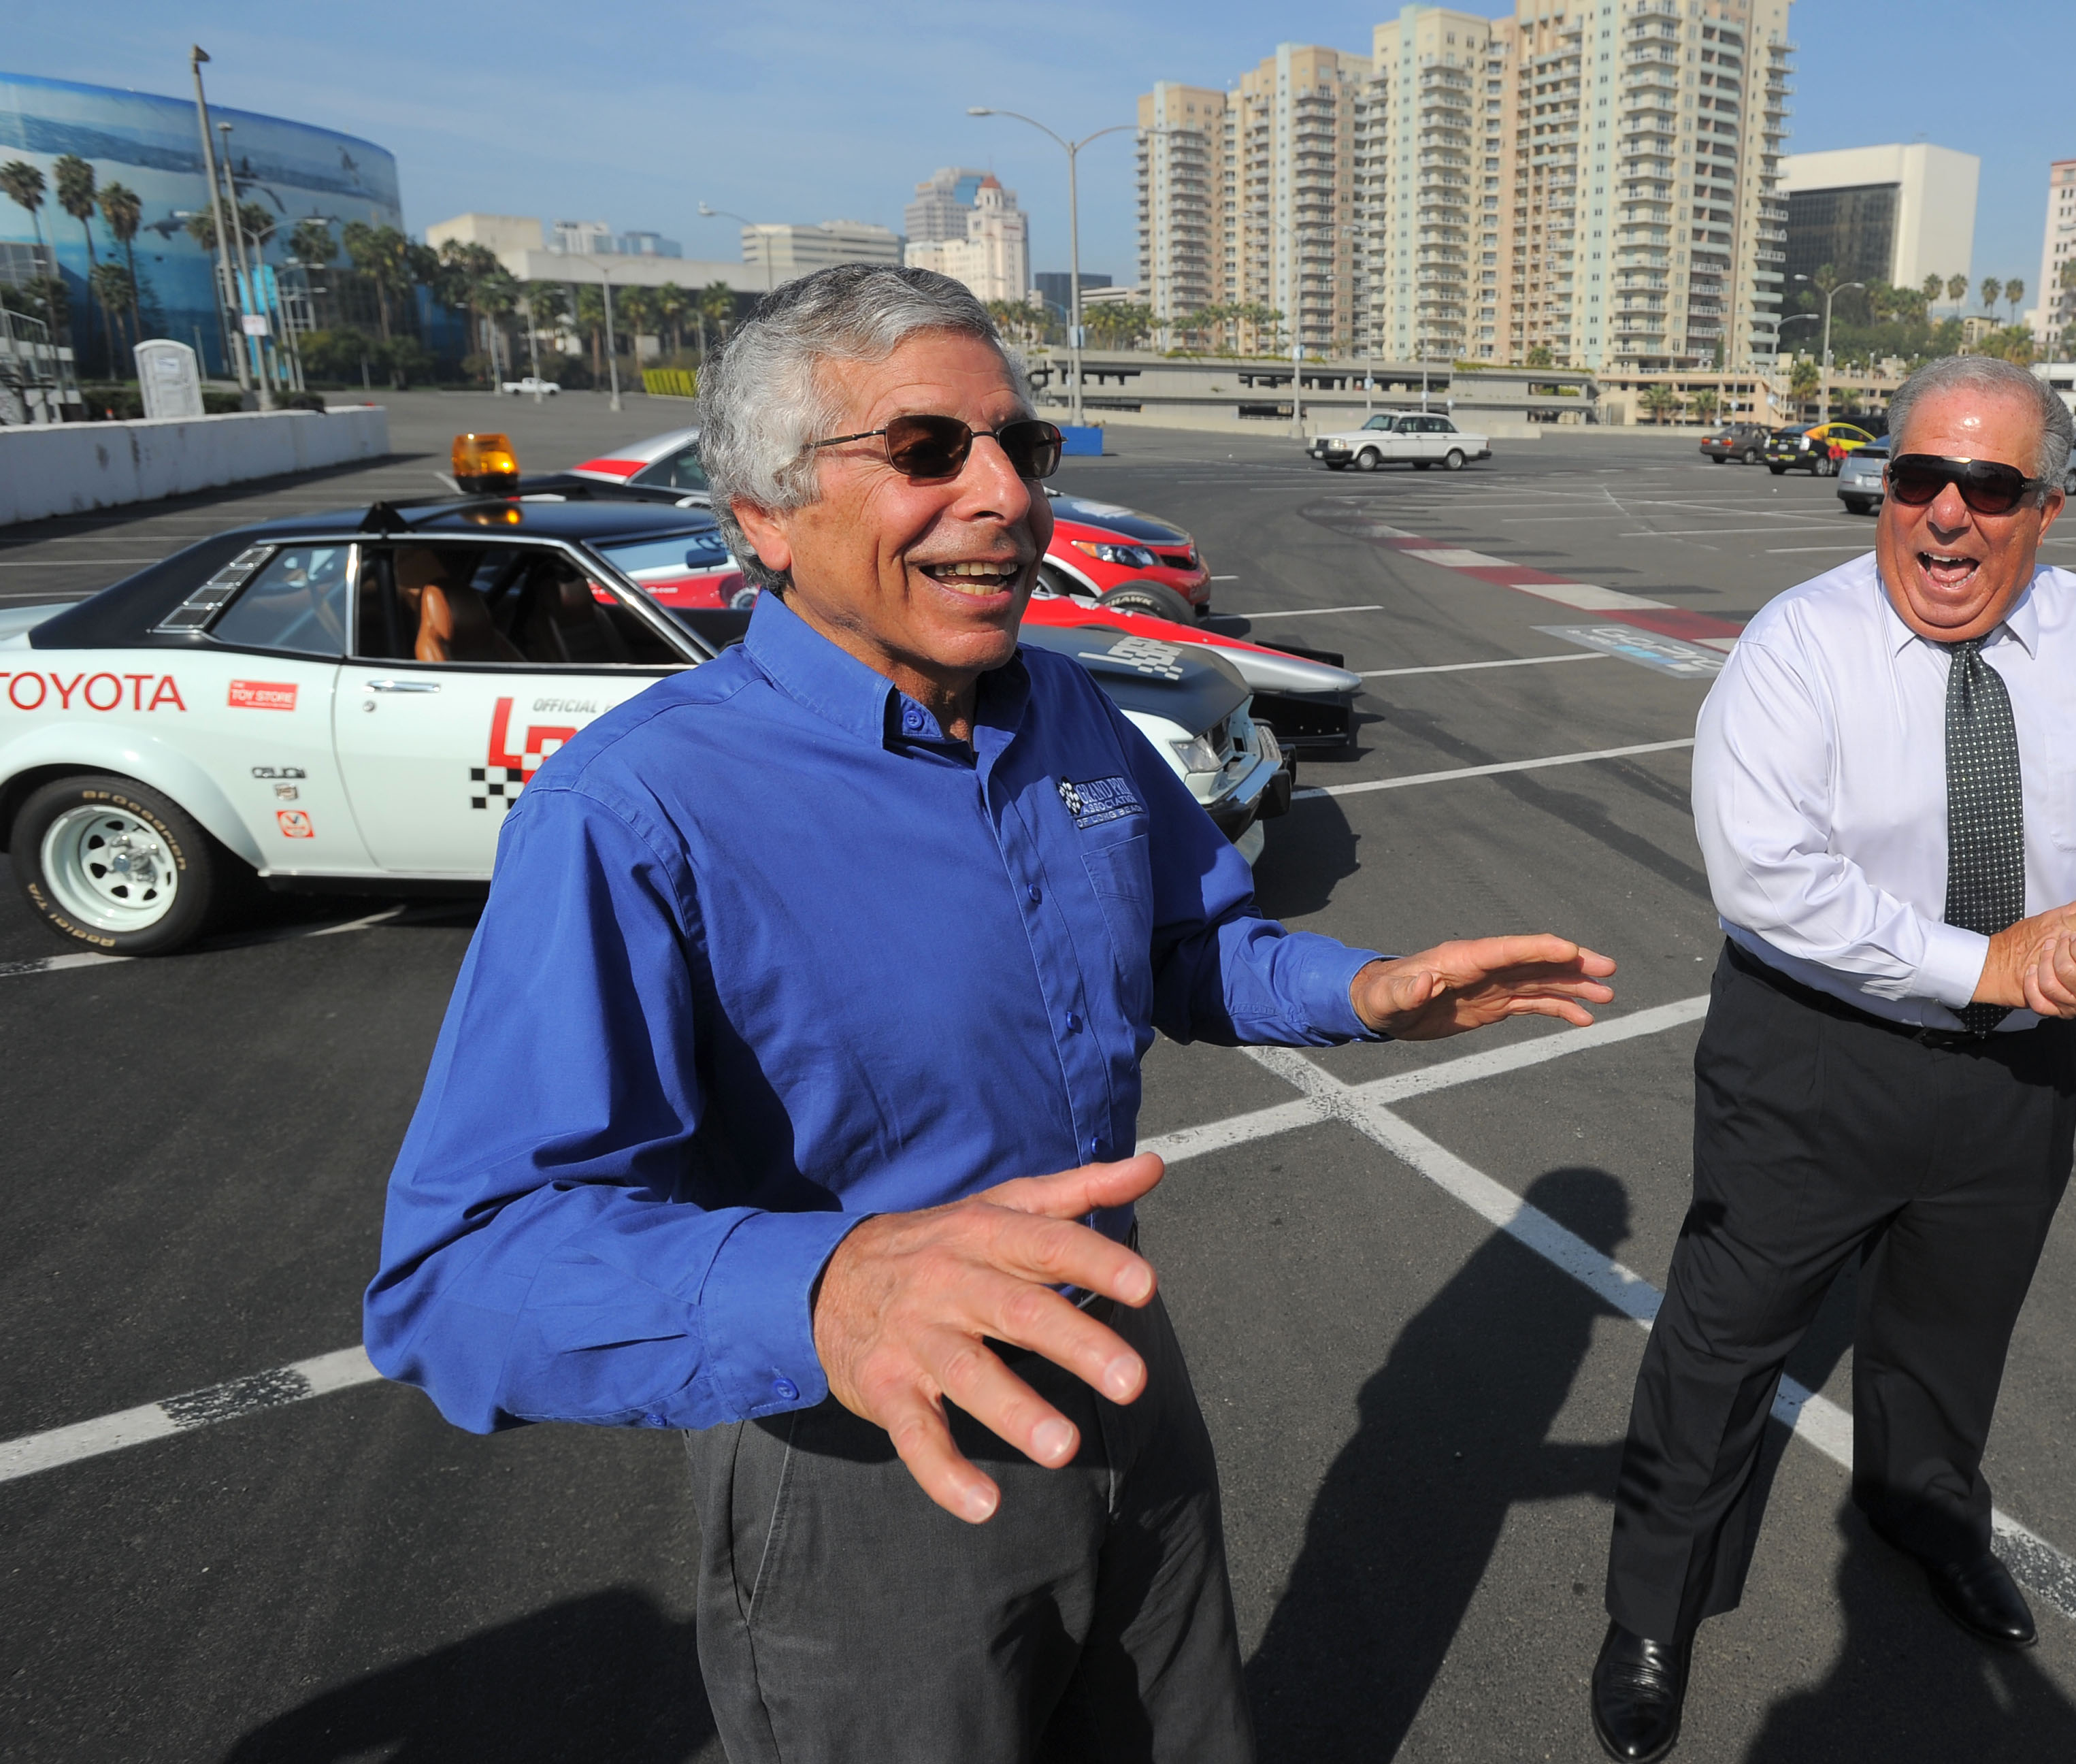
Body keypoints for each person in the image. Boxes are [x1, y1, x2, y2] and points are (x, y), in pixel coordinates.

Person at [363, 263, 1617, 1764]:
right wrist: (825, 1291)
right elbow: (460, 1266)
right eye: (922, 452)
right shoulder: (636, 810)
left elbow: (1186, 944)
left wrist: (1357, 993)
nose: (1003, 495)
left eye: (1021, 447)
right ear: (761, 516)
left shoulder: (1063, 708)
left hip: (1122, 1397)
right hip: (866, 1471)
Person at [1587, 355, 2076, 1763]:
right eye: (1914, 477)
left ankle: (1920, 1511)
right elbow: (1768, 878)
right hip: (1808, 1056)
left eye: (1986, 485)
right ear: (1880, 487)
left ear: (2047, 507)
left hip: (2015, 1071)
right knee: (1720, 1341)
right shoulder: (1796, 645)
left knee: (1951, 1331)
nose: (1944, 514)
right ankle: (1653, 1612)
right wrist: (1985, 959)